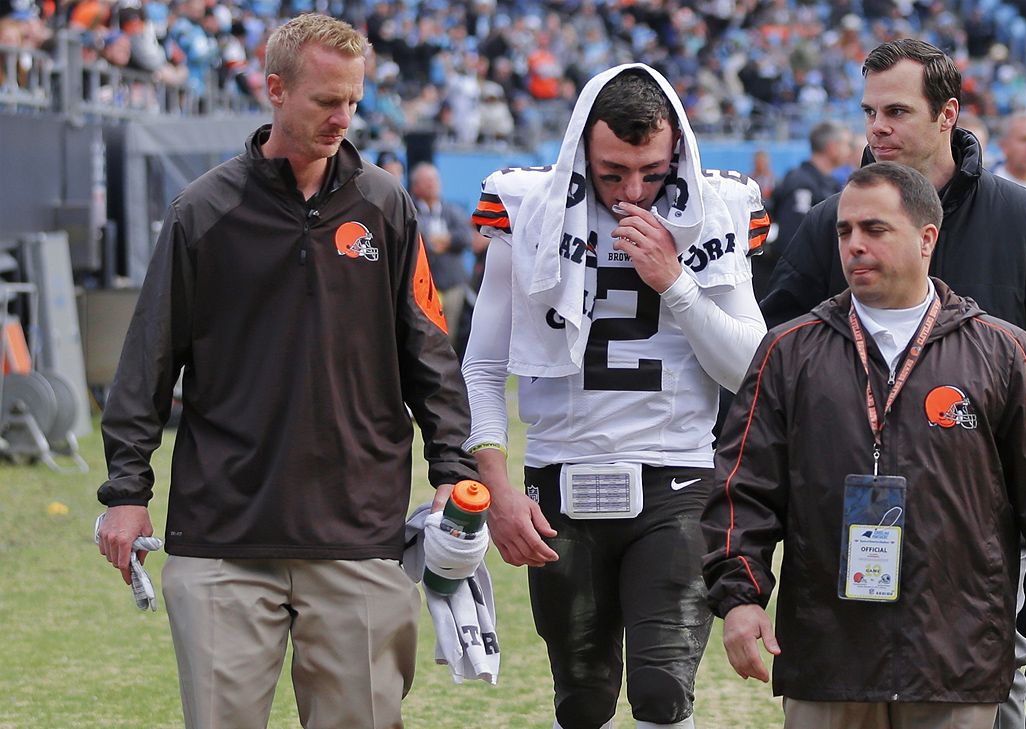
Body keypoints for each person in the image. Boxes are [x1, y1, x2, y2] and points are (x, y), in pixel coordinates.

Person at [94, 14, 477, 729]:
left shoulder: (387, 206)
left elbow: (429, 352)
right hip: (224, 540)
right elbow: (147, 357)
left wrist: (454, 467)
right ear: (275, 90)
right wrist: (126, 488)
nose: (344, 117)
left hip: (360, 535)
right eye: (326, 100)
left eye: (354, 101)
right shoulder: (201, 212)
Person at [759, 39, 1026, 729]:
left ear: (947, 112)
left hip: (978, 526)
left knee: (983, 688)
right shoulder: (836, 223)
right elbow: (768, 365)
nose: (877, 127)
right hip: (844, 526)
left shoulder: (1025, 219)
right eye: (868, 111)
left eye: (896, 110)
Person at [462, 64, 768, 729]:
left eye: (653, 172)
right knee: (582, 702)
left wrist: (676, 283)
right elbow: (482, 367)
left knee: (662, 690)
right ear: (580, 154)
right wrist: (497, 488)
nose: (635, 192)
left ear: (677, 154)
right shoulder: (527, 209)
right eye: (612, 173)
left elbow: (750, 366)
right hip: (558, 477)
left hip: (677, 477)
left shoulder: (713, 211)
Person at [758, 120, 852, 301]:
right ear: (832, 148)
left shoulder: (827, 182)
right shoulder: (802, 183)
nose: (849, 150)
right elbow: (793, 243)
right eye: (846, 145)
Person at [410, 161, 474, 349]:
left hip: (452, 286)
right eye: (426, 181)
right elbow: (418, 240)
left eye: (434, 180)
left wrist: (444, 240)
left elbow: (465, 236)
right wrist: (435, 242)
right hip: (423, 288)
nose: (432, 184)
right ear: (415, 186)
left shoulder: (452, 210)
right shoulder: (411, 211)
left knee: (451, 336)